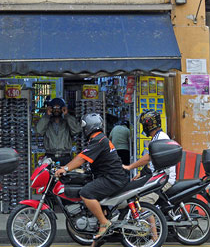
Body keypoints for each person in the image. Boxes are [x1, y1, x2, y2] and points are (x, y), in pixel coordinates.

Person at [55, 113, 128, 246]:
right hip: (111, 177)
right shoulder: (99, 139)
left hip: (112, 179)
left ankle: (104, 223)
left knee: (86, 193)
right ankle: (98, 237)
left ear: (88, 127)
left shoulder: (99, 140)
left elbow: (82, 157)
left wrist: (65, 169)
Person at [123, 110, 176, 242]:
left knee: (143, 202)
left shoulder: (161, 138)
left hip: (164, 179)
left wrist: (130, 167)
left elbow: (149, 157)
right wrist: (140, 174)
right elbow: (152, 163)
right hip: (157, 176)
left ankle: (154, 238)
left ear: (148, 125)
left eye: (143, 125)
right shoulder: (157, 137)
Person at [36, 98, 81, 165]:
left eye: (58, 108)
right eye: (54, 108)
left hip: (65, 157)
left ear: (62, 109)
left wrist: (67, 115)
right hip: (49, 156)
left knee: (66, 175)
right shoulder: (47, 122)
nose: (56, 110)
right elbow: (39, 130)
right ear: (51, 109)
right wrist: (47, 116)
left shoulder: (67, 122)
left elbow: (77, 130)